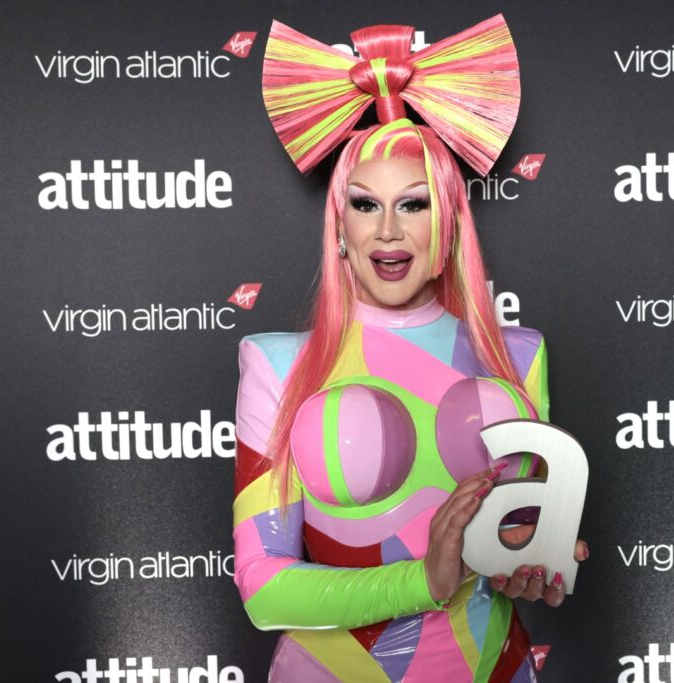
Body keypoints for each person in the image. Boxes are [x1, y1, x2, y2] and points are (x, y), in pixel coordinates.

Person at [233, 15, 586, 682]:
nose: (389, 231)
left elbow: (520, 542)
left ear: (449, 227)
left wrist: (529, 558)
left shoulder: (519, 354)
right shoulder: (277, 367)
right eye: (366, 205)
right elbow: (262, 584)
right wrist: (422, 579)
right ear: (339, 230)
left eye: (415, 204)